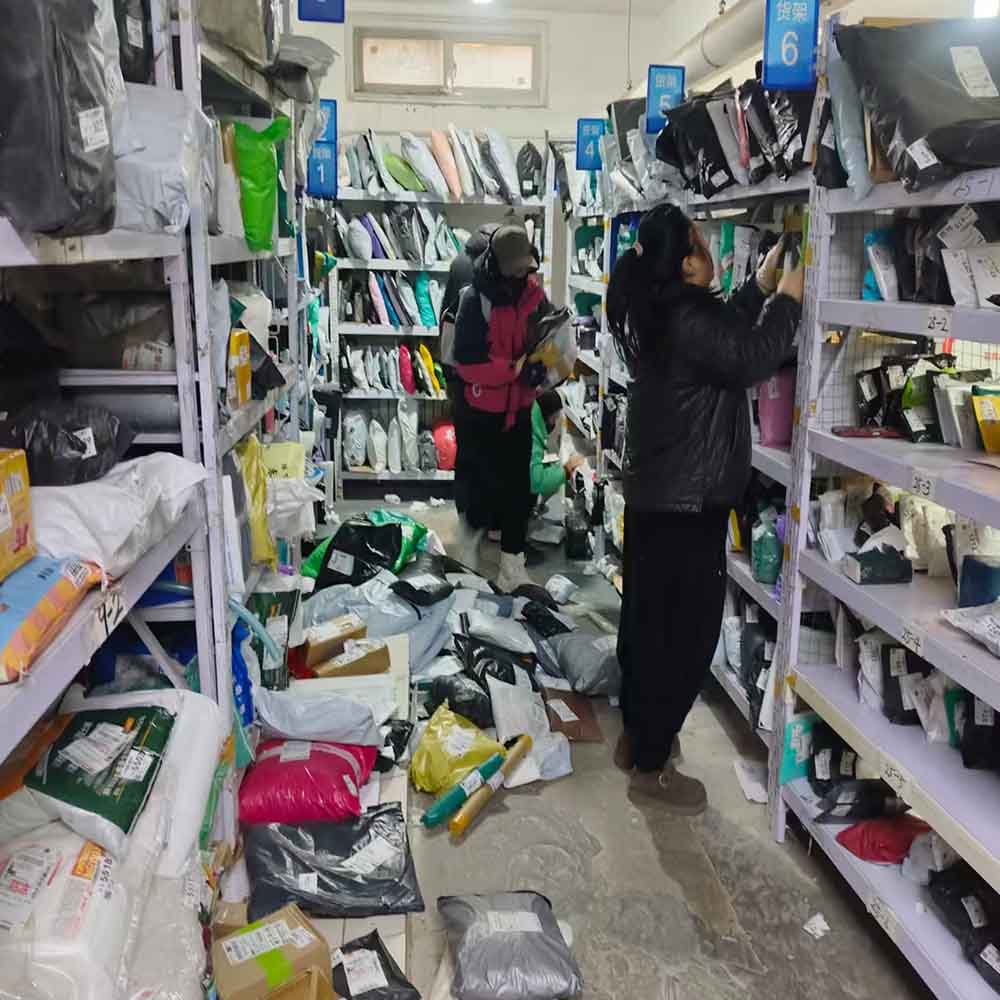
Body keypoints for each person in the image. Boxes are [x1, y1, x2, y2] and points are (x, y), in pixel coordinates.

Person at [606, 203, 803, 814]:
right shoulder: (687, 319)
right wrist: (789, 301)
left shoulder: (666, 310)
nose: (710, 249)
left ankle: (639, 739)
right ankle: (652, 767)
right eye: (700, 241)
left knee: (646, 623)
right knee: (687, 638)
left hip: (658, 497)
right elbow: (750, 356)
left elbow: (723, 335)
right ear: (688, 263)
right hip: (688, 505)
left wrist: (759, 287)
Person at [451, 223, 554, 592]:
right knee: (479, 489)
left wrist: (546, 364)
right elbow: (466, 363)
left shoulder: (534, 297)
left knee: (518, 492)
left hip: (519, 410)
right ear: (496, 264)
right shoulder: (473, 300)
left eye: (525, 269)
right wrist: (512, 370)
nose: (521, 276)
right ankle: (468, 558)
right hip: (480, 414)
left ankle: (512, 566)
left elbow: (545, 338)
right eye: (515, 270)